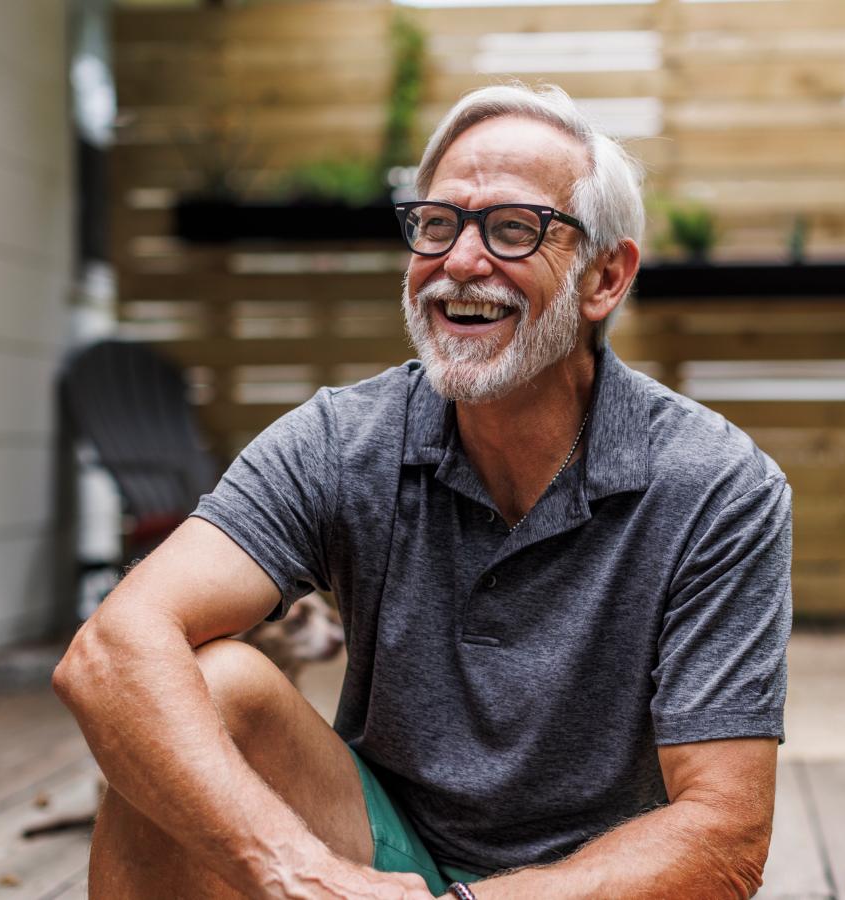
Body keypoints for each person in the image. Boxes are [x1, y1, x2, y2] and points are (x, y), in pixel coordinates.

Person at [54, 83, 793, 899]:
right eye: (438, 224)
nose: (460, 262)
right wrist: (296, 870)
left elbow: (724, 832)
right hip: (375, 855)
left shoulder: (717, 485)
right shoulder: (345, 438)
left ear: (605, 277)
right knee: (204, 687)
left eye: (513, 229)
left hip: (589, 885)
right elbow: (111, 650)